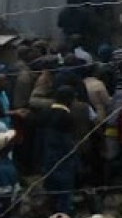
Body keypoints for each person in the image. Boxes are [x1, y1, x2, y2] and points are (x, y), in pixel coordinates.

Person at [39, 87, 81, 215]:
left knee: (51, 192)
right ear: (68, 100)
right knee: (64, 194)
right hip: (63, 160)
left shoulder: (45, 112)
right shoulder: (68, 117)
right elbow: (69, 144)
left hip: (47, 158)